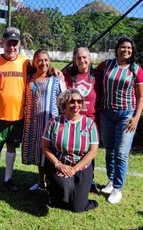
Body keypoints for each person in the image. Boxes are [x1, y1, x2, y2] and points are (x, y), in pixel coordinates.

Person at [97, 36, 143, 204]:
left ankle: (117, 189)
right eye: (123, 47)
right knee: (109, 149)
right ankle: (111, 181)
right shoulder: (106, 65)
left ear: (132, 51)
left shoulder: (136, 69)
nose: (126, 50)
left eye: (129, 48)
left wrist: (136, 117)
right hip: (107, 113)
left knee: (121, 153)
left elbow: (141, 97)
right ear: (117, 49)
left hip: (126, 115)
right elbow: (88, 72)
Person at [0, 27, 31, 194]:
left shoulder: (25, 62)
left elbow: (38, 75)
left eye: (15, 43)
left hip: (18, 114)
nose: (11, 47)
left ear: (19, 44)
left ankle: (8, 178)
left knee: (12, 147)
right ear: (2, 42)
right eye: (8, 43)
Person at [42, 89, 99, 212]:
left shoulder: (89, 124)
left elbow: (93, 152)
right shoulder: (54, 122)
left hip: (82, 166)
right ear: (64, 104)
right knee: (64, 191)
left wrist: (74, 169)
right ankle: (54, 189)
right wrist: (58, 165)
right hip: (60, 164)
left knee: (77, 207)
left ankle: (78, 192)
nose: (76, 105)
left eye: (79, 101)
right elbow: (45, 146)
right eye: (72, 101)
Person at [21, 49, 66, 191]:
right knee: (38, 152)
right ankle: (41, 181)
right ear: (34, 62)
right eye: (39, 60)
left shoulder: (56, 79)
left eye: (46, 60)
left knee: (51, 151)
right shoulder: (28, 78)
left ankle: (54, 183)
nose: (43, 63)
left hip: (50, 122)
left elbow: (63, 101)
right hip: (33, 122)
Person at [63, 46, 102, 194]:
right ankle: (69, 175)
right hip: (71, 119)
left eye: (85, 57)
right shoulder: (68, 75)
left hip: (90, 120)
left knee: (89, 151)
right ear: (74, 60)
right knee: (71, 147)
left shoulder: (97, 76)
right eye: (78, 58)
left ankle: (89, 180)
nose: (82, 60)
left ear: (90, 59)